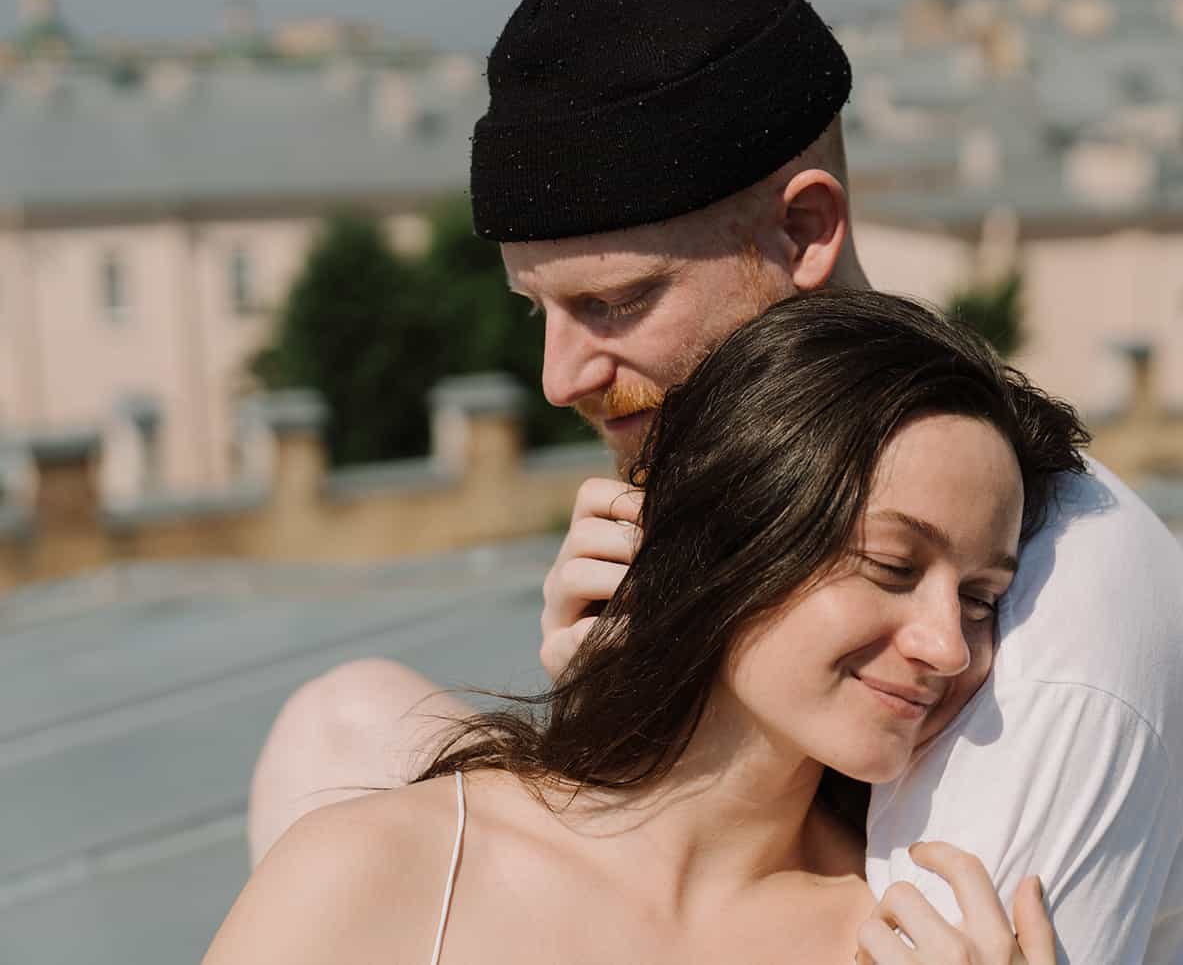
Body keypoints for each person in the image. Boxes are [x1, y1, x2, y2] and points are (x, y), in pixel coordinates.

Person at [247, 0, 1183, 963]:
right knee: (346, 723)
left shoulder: (1054, 641)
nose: (560, 377)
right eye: (540, 310)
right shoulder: (380, 858)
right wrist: (637, 694)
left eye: (617, 300)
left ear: (803, 233)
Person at [208, 289, 1089, 963]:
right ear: (731, 532)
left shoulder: (899, 939)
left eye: (980, 598)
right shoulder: (381, 868)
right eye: (894, 567)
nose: (948, 642)